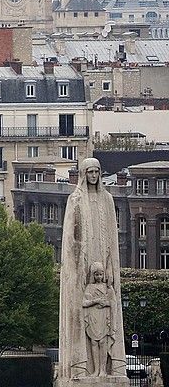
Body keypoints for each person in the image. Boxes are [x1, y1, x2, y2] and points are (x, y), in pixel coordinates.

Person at [58, 157, 126, 380]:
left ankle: (106, 369)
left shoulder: (107, 199)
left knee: (106, 324)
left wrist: (110, 268)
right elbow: (69, 237)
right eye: (90, 172)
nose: (94, 176)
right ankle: (81, 368)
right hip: (82, 263)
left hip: (103, 260)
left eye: (97, 172)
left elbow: (112, 238)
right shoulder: (75, 199)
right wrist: (76, 267)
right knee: (83, 319)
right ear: (83, 174)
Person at [81, 262, 114, 377]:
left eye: (101, 274)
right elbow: (84, 303)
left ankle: (103, 370)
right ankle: (95, 370)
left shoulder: (107, 287)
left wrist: (105, 303)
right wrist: (95, 301)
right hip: (93, 317)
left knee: (103, 342)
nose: (99, 277)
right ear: (93, 276)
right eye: (96, 275)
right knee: (94, 342)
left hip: (103, 317)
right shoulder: (90, 287)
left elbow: (113, 303)